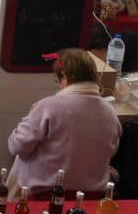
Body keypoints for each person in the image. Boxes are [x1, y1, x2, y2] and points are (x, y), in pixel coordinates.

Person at [7, 47, 122, 196]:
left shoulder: (49, 107)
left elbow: (18, 146)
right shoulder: (110, 111)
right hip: (92, 197)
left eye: (57, 79)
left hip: (45, 196)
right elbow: (111, 151)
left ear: (65, 77)